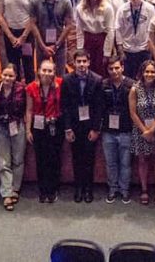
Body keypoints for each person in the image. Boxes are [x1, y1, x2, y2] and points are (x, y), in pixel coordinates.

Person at [61, 50, 105, 203]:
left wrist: (96, 129)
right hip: (74, 126)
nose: (81, 64)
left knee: (89, 159)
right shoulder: (66, 80)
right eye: (78, 61)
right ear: (73, 63)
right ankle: (78, 188)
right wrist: (67, 128)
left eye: (84, 61)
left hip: (90, 126)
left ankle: (88, 189)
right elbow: (65, 107)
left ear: (89, 62)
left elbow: (99, 107)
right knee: (76, 158)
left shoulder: (98, 80)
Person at [129, 60, 155, 205]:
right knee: (142, 160)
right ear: (142, 73)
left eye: (152, 72)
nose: (149, 74)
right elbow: (132, 113)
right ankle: (144, 190)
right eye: (147, 71)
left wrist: (152, 130)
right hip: (140, 130)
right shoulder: (135, 89)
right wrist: (145, 131)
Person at [26, 59, 63, 203]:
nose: (47, 73)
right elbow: (29, 110)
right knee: (41, 159)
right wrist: (28, 130)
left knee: (54, 158)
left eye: (50, 70)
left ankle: (53, 189)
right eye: (44, 70)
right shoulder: (31, 88)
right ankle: (42, 189)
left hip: (55, 125)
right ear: (38, 71)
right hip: (38, 126)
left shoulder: (61, 84)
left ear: (54, 73)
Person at [0, 63, 26, 211]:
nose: (7, 78)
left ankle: (15, 189)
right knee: (4, 161)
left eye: (10, 75)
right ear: (1, 75)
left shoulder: (21, 89)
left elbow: (26, 108)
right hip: (0, 127)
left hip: (17, 125)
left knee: (18, 159)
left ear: (15, 77)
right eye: (5, 75)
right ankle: (6, 193)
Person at [0, 0, 38, 82]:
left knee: (28, 66)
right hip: (10, 34)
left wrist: (23, 36)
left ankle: (29, 95)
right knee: (13, 66)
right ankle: (16, 96)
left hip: (27, 34)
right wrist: (10, 36)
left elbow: (34, 16)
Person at [101, 57, 135, 204]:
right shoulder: (103, 85)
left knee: (125, 163)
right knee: (111, 163)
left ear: (122, 67)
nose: (114, 71)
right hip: (108, 131)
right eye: (111, 69)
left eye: (116, 68)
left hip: (126, 130)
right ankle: (113, 188)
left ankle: (125, 189)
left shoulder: (132, 85)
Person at [28, 0, 74, 71]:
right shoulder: (34, 1)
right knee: (42, 73)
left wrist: (57, 45)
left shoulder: (66, 1)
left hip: (60, 43)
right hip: (41, 42)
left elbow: (69, 25)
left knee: (60, 75)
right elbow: (32, 24)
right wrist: (43, 46)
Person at [75, 0, 115, 77]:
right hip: (87, 41)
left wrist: (107, 52)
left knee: (101, 70)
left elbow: (110, 31)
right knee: (88, 69)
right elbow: (79, 30)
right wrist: (80, 50)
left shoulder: (107, 8)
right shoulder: (80, 8)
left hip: (102, 41)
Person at [115, 0, 155, 77]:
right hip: (127, 50)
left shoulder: (150, 8)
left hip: (144, 49)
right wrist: (120, 49)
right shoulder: (122, 9)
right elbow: (118, 29)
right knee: (128, 77)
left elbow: (153, 29)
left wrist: (150, 45)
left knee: (144, 76)